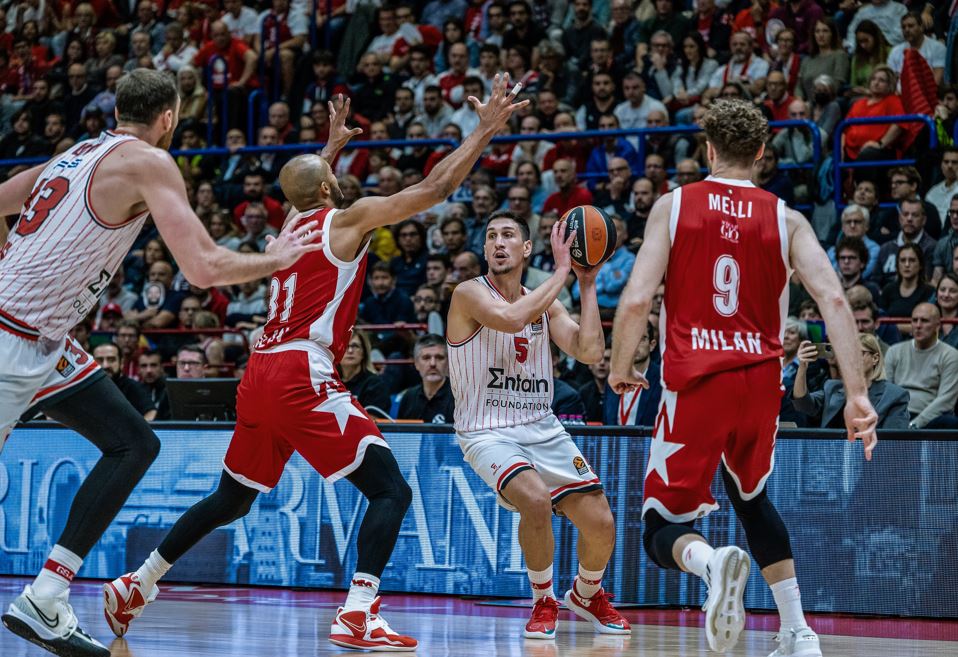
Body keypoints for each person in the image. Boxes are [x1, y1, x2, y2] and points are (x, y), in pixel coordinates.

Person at [105, 76, 528, 651]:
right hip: (301, 371)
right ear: (330, 186)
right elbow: (436, 186)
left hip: (259, 371)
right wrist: (484, 131)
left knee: (233, 497)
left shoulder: (287, 230)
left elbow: (303, 189)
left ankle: (138, 581)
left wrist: (326, 152)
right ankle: (358, 612)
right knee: (391, 491)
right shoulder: (346, 221)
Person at [0, 69, 320, 657]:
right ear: (169, 117)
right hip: (11, 336)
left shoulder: (74, 153)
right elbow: (203, 268)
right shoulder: (150, 161)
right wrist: (277, 260)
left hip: (43, 339)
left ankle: (45, 597)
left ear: (117, 110)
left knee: (133, 442)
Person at [609, 99, 877, 657]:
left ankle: (711, 563)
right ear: (760, 153)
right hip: (759, 383)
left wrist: (619, 367)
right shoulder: (787, 218)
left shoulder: (674, 206)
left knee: (659, 526)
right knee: (751, 500)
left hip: (696, 381)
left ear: (708, 149)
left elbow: (636, 300)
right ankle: (798, 631)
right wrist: (857, 395)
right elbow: (834, 299)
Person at [447, 211, 630, 640]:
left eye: (508, 235)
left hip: (541, 426)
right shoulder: (468, 293)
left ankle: (587, 594)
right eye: (491, 235)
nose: (498, 242)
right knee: (535, 499)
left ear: (527, 248)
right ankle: (543, 600)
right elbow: (511, 318)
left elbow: (589, 352)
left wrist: (587, 282)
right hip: (486, 429)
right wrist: (563, 271)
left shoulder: (546, 301)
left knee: (601, 522)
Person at [792, 333, 910, 429]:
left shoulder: (894, 395)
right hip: (833, 450)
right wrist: (802, 367)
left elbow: (893, 441)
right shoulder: (832, 388)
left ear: (875, 358)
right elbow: (802, 404)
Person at [884, 303, 958, 429]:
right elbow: (885, 390)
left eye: (924, 321)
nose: (918, 325)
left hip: (931, 417)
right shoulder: (894, 351)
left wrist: (915, 424)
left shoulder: (951, 355)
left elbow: (946, 400)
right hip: (897, 414)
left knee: (950, 422)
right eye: (914, 320)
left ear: (937, 326)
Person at [398, 334, 455, 423]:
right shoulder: (408, 397)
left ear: (448, 363)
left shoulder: (458, 396)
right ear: (416, 364)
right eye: (426, 358)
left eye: (439, 357)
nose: (433, 363)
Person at [92, 343, 157, 420]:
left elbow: (151, 413)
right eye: (99, 360)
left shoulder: (133, 387)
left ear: (121, 363)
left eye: (111, 360)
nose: (105, 365)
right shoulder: (87, 388)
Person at [339, 329, 392, 414]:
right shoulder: (330, 382)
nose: (350, 351)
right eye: (346, 346)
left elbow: (374, 419)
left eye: (355, 346)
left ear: (364, 352)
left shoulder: (375, 384)